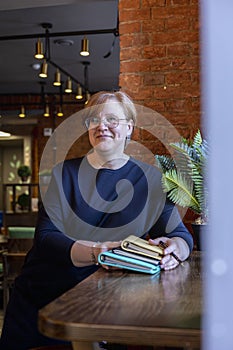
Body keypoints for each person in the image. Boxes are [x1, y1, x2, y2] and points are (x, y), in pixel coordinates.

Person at [0, 91, 193, 349]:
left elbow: (180, 234)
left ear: (129, 128)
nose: (101, 126)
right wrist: (99, 252)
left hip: (112, 301)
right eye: (93, 119)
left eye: (112, 119)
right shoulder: (63, 174)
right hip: (46, 295)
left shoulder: (153, 181)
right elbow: (46, 237)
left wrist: (176, 250)